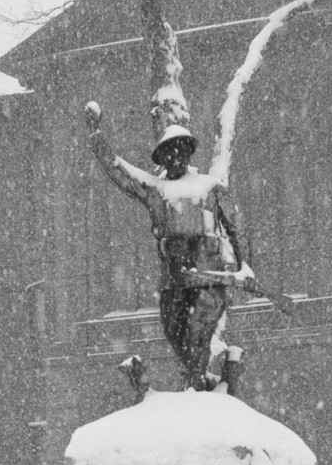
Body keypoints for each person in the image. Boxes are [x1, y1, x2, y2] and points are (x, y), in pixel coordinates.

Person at [83, 102, 270, 390]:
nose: (175, 156)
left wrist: (245, 265)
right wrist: (97, 135)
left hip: (208, 281)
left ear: (188, 152)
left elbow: (237, 228)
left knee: (197, 338)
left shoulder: (210, 189)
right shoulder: (155, 191)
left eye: (180, 150)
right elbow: (118, 169)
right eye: (169, 152)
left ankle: (196, 391)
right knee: (176, 338)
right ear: (163, 158)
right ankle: (203, 382)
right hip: (174, 282)